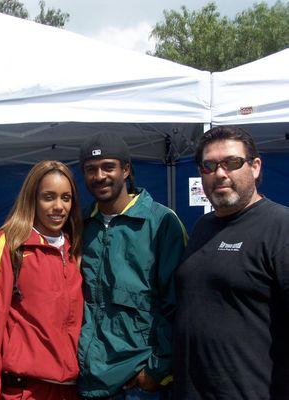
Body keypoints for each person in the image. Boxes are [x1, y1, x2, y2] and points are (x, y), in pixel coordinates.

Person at [173, 126, 289, 400]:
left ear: (256, 167)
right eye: (209, 166)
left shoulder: (281, 227)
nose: (220, 174)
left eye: (232, 163)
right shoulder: (203, 227)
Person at [77, 132, 187, 400]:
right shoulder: (81, 226)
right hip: (88, 377)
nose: (100, 176)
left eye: (108, 167)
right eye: (91, 170)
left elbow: (180, 302)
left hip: (138, 383)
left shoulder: (161, 222)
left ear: (126, 170)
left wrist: (157, 371)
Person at [0, 160, 84, 400]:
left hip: (68, 390)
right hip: (23, 391)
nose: (58, 206)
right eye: (48, 197)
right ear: (32, 198)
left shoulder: (74, 251)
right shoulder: (8, 244)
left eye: (66, 198)